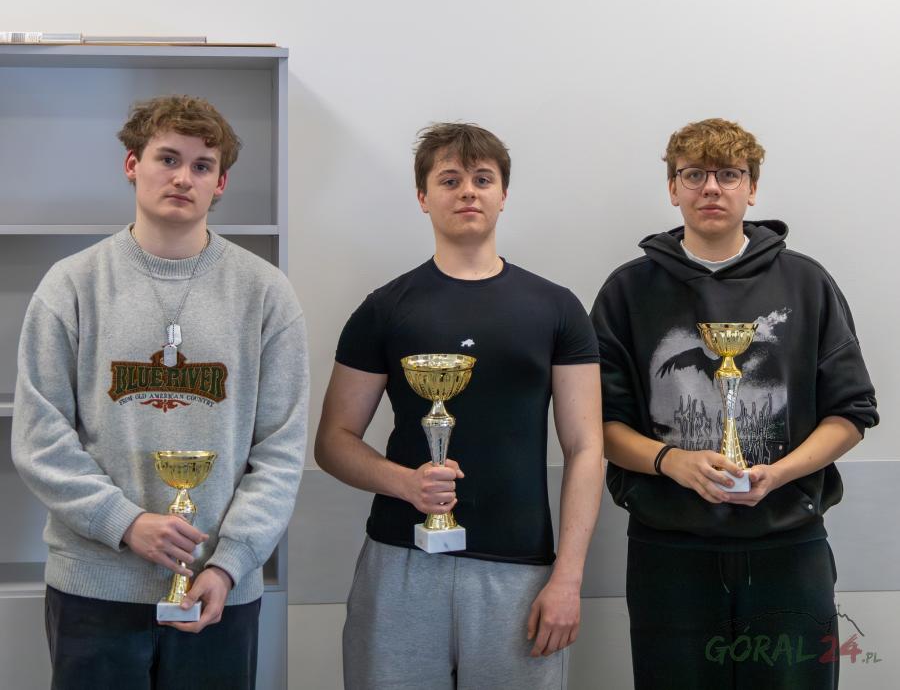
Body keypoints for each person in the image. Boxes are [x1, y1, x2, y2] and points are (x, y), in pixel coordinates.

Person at [12, 96, 309, 689]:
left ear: (220, 183)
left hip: (217, 586)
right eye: (167, 158)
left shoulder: (266, 293)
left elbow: (281, 450)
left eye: (202, 166)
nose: (182, 177)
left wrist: (229, 564)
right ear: (132, 164)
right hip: (94, 586)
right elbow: (39, 437)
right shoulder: (71, 285)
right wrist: (125, 522)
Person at [590, 118, 878, 690]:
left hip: (788, 545)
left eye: (729, 174)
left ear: (752, 187)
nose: (711, 188)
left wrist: (781, 473)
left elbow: (852, 413)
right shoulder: (627, 292)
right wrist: (671, 461)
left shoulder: (806, 284)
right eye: (693, 175)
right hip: (669, 551)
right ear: (672, 188)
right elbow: (599, 425)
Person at [315, 122, 603, 690]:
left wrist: (568, 578)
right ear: (423, 197)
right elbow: (333, 441)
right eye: (449, 180)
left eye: (482, 179)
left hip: (519, 571)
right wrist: (405, 484)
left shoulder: (557, 308)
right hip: (401, 562)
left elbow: (586, 446)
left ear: (503, 195)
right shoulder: (383, 309)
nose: (467, 190)